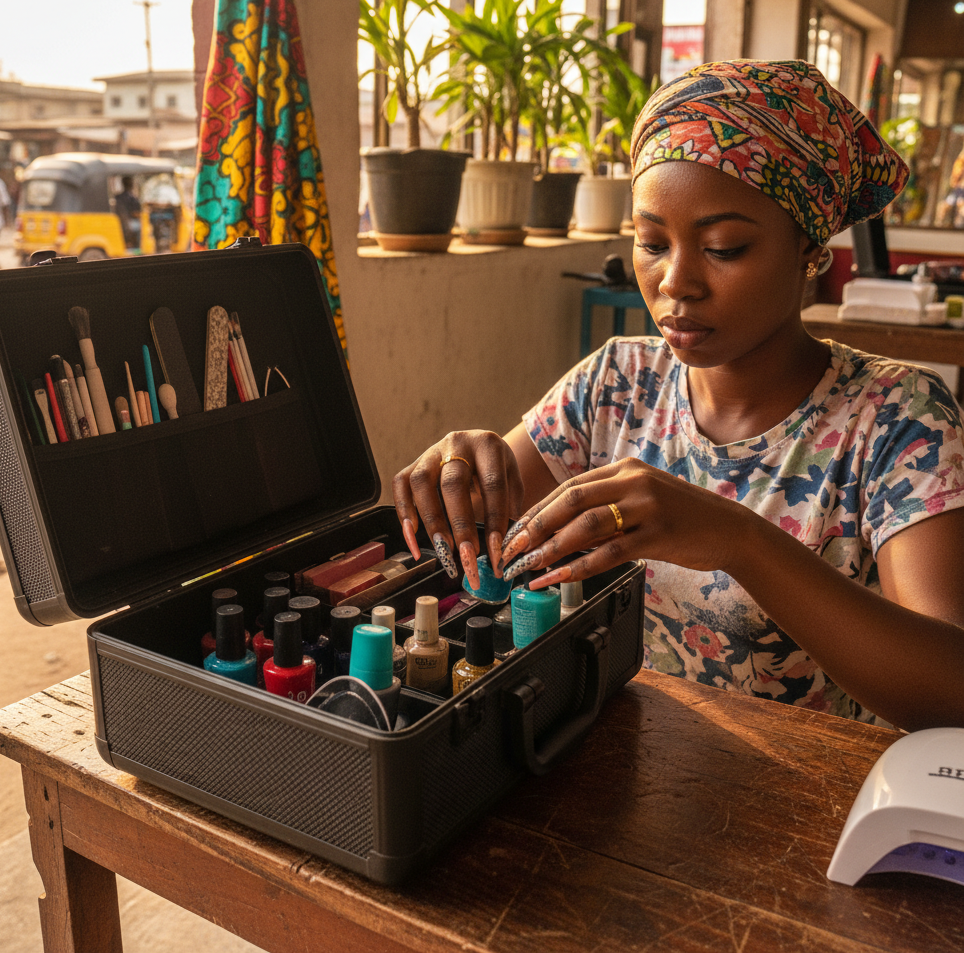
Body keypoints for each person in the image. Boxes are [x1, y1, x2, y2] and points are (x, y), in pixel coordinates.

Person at [393, 60, 964, 734]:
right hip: (620, 765)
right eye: (651, 244)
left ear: (811, 249)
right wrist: (464, 477)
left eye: (723, 248)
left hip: (806, 805)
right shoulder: (615, 385)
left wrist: (739, 541)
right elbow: (489, 545)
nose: (677, 282)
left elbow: (949, 692)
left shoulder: (899, 418)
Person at [114, 175, 142, 250]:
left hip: (121, 222)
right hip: (128, 223)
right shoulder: (131, 198)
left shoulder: (118, 197)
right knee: (142, 226)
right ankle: (138, 247)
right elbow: (135, 213)